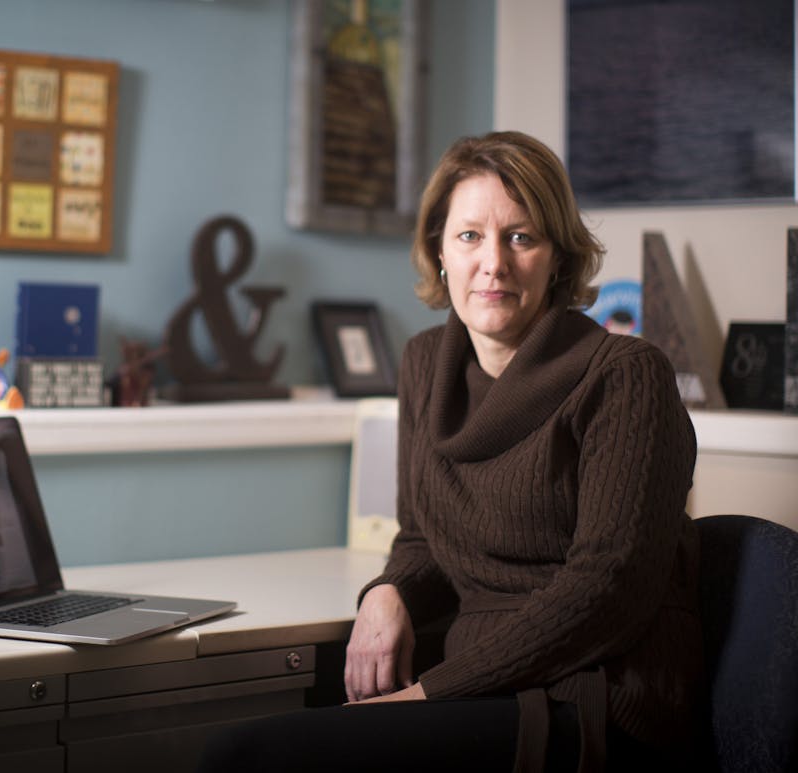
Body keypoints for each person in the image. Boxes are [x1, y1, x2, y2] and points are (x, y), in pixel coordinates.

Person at [198, 131, 702, 772]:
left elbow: (608, 590)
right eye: (469, 237)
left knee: (245, 755)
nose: (493, 262)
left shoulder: (626, 374)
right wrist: (386, 595)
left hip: (591, 694)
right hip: (474, 677)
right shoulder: (425, 363)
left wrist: (428, 692)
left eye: (521, 237)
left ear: (559, 258)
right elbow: (425, 538)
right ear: (439, 250)